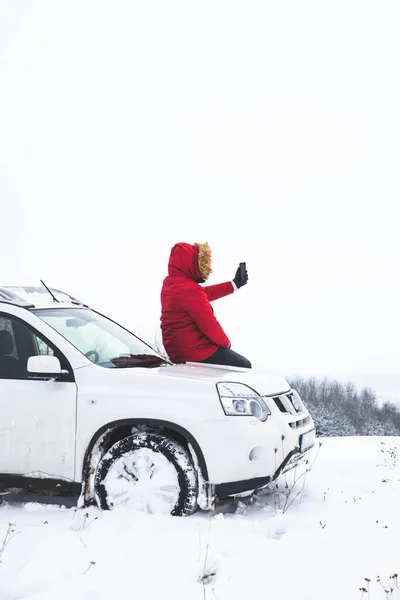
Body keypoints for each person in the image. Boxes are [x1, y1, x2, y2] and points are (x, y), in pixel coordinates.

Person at [160, 242, 251, 368]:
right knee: (244, 365)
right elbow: (209, 324)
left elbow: (202, 294)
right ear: (190, 263)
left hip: (176, 350)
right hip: (195, 351)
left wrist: (234, 284)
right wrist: (227, 344)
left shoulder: (170, 284)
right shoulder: (190, 290)